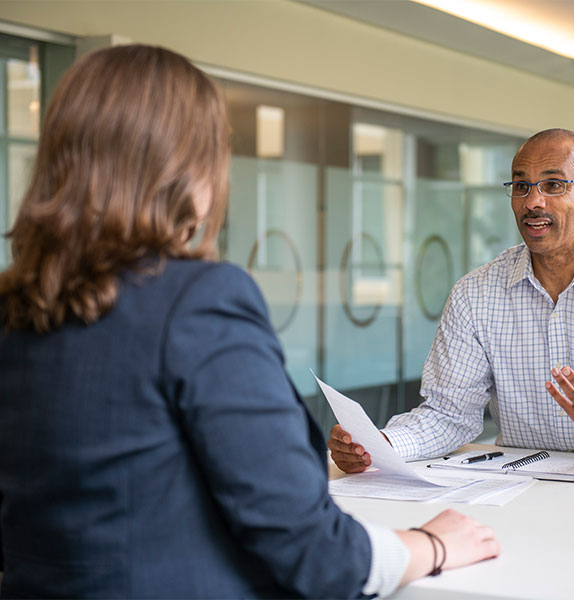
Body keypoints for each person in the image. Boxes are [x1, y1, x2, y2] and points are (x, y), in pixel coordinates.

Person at [0, 45, 500, 599]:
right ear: (188, 172)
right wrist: (429, 545)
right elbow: (314, 553)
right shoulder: (196, 301)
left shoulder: (17, 307)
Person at [329, 128, 574, 474]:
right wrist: (379, 445)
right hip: (517, 494)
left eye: (553, 185)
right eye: (521, 186)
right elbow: (449, 415)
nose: (532, 202)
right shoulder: (476, 294)